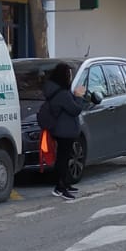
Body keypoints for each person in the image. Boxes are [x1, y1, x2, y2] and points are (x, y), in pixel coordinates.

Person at [39, 62, 87, 199]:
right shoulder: (61, 94)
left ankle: (65, 183)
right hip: (64, 131)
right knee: (63, 159)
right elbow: (75, 110)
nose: (70, 77)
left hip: (62, 130)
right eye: (69, 74)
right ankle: (60, 187)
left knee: (64, 157)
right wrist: (78, 96)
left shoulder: (57, 91)